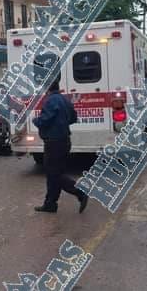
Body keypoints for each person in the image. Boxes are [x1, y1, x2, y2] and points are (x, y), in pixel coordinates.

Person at [32, 79, 88, 214]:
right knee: (55, 173)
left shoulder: (51, 101)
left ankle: (80, 192)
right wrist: (62, 122)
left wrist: (36, 120)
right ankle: (50, 204)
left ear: (48, 89)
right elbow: (74, 118)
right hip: (64, 141)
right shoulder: (65, 100)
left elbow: (44, 120)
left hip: (54, 142)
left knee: (54, 174)